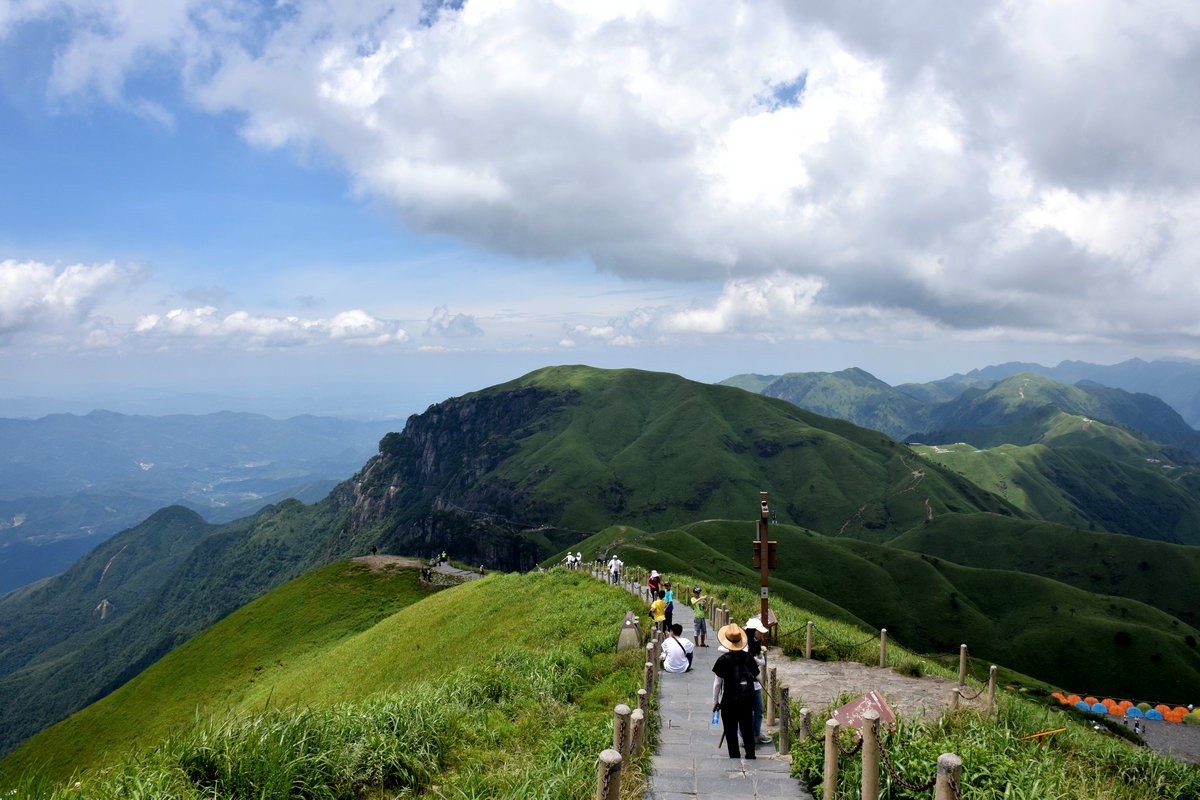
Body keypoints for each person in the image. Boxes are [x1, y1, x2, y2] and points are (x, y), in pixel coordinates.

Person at [712, 624, 758, 759]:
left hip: (729, 700)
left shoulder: (723, 660)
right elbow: (758, 677)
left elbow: (717, 684)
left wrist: (715, 701)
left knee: (730, 731)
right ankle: (750, 755)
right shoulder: (749, 657)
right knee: (747, 729)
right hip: (746, 699)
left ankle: (735, 756)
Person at [745, 617, 772, 744]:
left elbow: (762, 661)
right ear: (752, 631)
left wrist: (755, 660)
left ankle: (756, 733)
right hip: (745, 682)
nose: (761, 634)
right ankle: (747, 735)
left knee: (759, 710)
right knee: (747, 711)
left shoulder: (757, 644)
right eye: (759, 631)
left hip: (756, 681)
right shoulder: (744, 643)